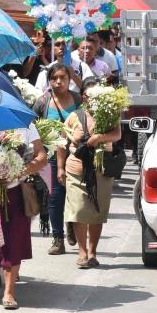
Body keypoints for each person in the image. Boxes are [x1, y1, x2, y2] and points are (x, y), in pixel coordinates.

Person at [57, 79, 122, 268]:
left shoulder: (109, 115)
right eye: (88, 95)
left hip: (101, 171)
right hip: (76, 170)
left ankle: (93, 252)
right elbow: (62, 144)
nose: (91, 99)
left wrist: (98, 138)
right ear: (83, 97)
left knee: (96, 213)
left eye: (96, 96)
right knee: (78, 211)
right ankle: (82, 252)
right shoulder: (74, 116)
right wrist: (60, 168)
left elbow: (117, 135)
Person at [0, 124, 47, 310]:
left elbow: (41, 156)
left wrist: (20, 171)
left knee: (14, 240)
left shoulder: (26, 126)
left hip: (16, 191)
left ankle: (9, 291)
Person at [33, 65, 82, 255]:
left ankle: (71, 224)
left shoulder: (77, 100)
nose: (58, 82)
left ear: (70, 79)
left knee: (75, 195)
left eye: (62, 78)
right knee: (54, 197)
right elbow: (31, 127)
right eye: (54, 78)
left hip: (76, 155)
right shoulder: (42, 102)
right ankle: (58, 238)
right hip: (51, 157)